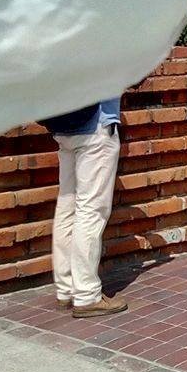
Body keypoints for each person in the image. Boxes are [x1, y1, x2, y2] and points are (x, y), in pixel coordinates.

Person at [42, 98, 128, 317]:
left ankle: (66, 289)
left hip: (64, 124)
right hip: (96, 125)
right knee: (91, 210)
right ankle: (87, 295)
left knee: (67, 206)